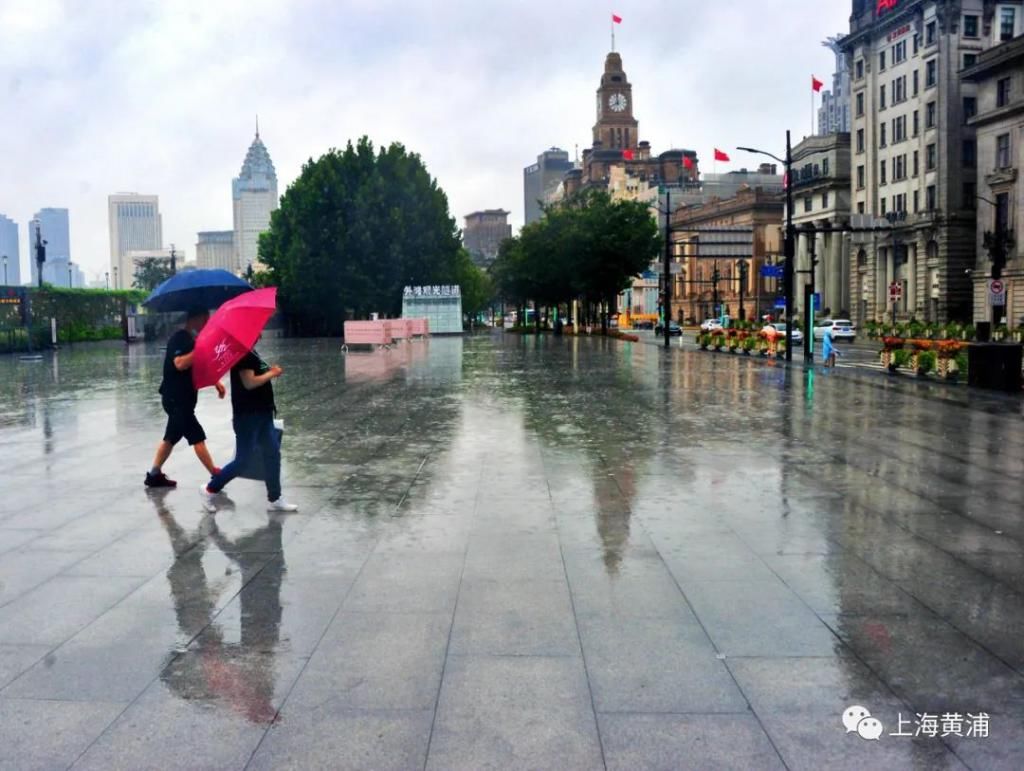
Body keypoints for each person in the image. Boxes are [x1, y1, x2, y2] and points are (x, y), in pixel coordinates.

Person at [200, 344, 298, 512]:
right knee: (243, 461)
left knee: (272, 453)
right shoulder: (243, 354)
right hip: (248, 417)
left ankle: (275, 498)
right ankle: (210, 489)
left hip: (263, 413)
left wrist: (269, 371)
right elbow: (249, 382)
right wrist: (272, 373)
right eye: (258, 333)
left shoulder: (252, 352)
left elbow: (257, 375)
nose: (259, 334)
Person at [145, 308, 225, 488]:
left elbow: (199, 366)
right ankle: (215, 474)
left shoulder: (192, 340)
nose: (207, 323)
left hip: (183, 400)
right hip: (176, 399)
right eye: (205, 319)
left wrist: (215, 382)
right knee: (197, 435)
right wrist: (200, 349)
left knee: (171, 437)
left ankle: (154, 475)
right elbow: (180, 363)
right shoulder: (179, 338)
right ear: (195, 318)